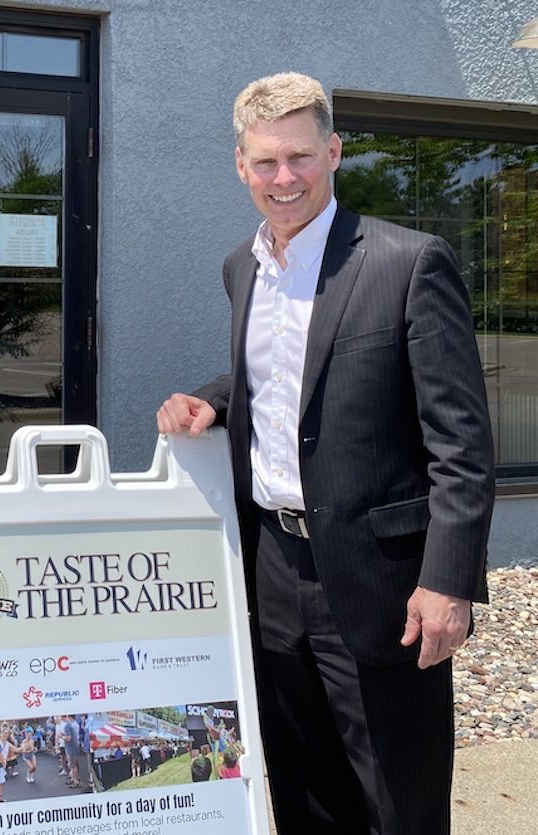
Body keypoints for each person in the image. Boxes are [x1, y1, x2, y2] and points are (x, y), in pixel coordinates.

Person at [156, 72, 493, 835]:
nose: (285, 178)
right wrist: (215, 399)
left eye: (301, 157)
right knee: (303, 790)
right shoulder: (242, 269)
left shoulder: (409, 263)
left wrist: (448, 580)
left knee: (397, 803)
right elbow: (282, 375)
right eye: (267, 162)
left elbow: (463, 443)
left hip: (383, 580)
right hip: (273, 564)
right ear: (240, 166)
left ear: (334, 152)